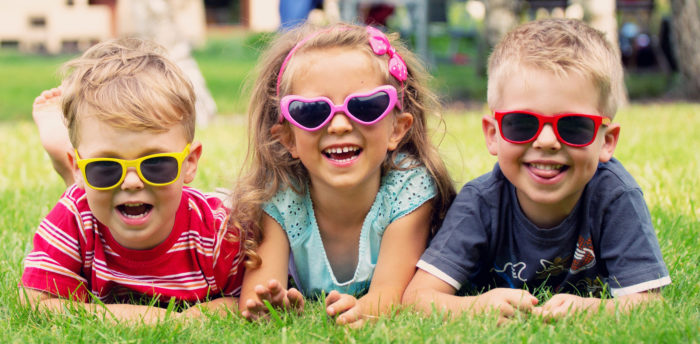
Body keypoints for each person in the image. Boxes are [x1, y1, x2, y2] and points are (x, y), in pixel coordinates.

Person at [403, 18, 671, 324]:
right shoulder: (479, 203)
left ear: (607, 141)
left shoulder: (615, 197)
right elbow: (417, 298)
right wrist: (476, 307)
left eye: (574, 126)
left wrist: (592, 310)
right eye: (521, 124)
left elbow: (649, 305)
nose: (546, 142)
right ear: (493, 134)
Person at [230, 23, 456, 327]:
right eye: (312, 112)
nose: (338, 125)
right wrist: (271, 305)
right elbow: (258, 294)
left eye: (365, 107)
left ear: (397, 129)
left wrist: (362, 310)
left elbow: (388, 295)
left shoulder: (409, 190)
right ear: (288, 138)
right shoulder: (279, 196)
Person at [20, 39, 245, 324]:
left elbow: (247, 299)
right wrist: (150, 318)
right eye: (105, 167)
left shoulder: (217, 231)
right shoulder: (75, 216)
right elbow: (37, 300)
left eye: (155, 164)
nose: (131, 182)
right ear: (79, 168)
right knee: (86, 197)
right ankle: (66, 152)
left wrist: (194, 317)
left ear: (189, 164)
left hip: (222, 203)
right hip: (86, 197)